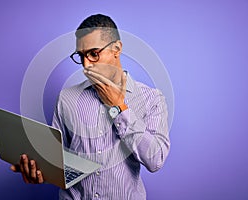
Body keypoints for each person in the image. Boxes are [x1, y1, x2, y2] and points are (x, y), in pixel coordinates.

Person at [11, 14, 170, 199]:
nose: (86, 65)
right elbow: (56, 161)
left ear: (116, 49)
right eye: (81, 56)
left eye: (94, 54)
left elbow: (155, 159)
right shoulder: (66, 98)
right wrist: (38, 171)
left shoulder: (152, 99)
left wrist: (118, 107)